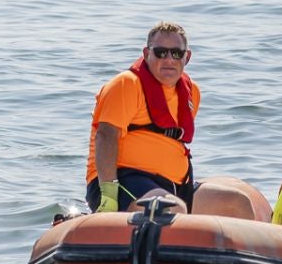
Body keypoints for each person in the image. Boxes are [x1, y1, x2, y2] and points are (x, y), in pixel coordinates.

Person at [85, 22, 200, 212]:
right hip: (125, 180)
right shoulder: (126, 84)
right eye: (161, 52)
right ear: (146, 54)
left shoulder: (191, 92)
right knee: (172, 208)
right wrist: (109, 195)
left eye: (176, 53)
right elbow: (105, 136)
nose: (169, 59)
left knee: (235, 201)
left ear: (187, 57)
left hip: (175, 185)